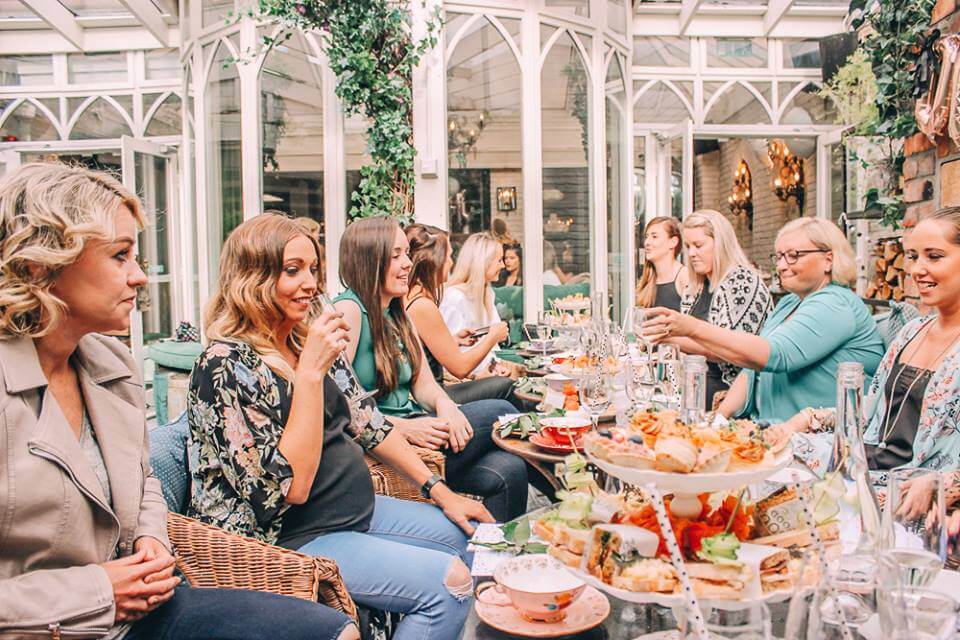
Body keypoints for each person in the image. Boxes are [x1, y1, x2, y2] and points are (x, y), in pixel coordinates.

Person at [0, 164, 355, 640]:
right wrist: (98, 588)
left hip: (139, 612)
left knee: (337, 632)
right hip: (51, 625)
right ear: (43, 265)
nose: (141, 277)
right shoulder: (225, 360)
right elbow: (286, 489)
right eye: (120, 256)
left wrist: (150, 538)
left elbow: (142, 478)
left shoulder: (110, 362)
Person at [187, 214, 492, 640]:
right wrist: (310, 375)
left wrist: (441, 493)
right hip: (290, 536)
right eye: (292, 271)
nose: (310, 283)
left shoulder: (299, 338)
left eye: (313, 269)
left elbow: (368, 422)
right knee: (450, 584)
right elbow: (288, 488)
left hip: (353, 509)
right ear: (251, 278)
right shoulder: (224, 365)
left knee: (475, 539)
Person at [334, 217, 529, 522]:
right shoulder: (349, 311)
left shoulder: (397, 311)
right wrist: (400, 427)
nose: (407, 264)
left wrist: (446, 406)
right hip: (387, 442)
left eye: (407, 254)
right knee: (502, 408)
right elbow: (336, 406)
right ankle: (566, 479)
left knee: (511, 470)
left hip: (422, 425)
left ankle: (493, 563)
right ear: (368, 259)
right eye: (396, 255)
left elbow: (424, 382)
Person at [768, 207, 960, 479]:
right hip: (866, 467)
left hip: (915, 492)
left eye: (935, 256)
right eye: (913, 257)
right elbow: (872, 411)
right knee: (763, 462)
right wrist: (809, 418)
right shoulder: (912, 332)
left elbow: (775, 353)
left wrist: (945, 487)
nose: (917, 270)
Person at [642, 217, 884, 423]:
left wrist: (690, 328)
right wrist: (717, 419)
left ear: (828, 260)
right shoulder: (790, 302)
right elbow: (752, 369)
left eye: (793, 256)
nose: (781, 265)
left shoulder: (836, 303)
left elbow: (775, 355)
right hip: (767, 429)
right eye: (778, 256)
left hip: (817, 441)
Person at [645, 209, 771, 406]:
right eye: (688, 246)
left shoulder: (741, 282)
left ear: (721, 244)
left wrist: (668, 338)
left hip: (730, 401)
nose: (692, 253)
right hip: (693, 392)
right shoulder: (697, 286)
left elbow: (733, 352)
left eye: (699, 245)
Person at [405, 224, 518, 405]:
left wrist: (455, 340)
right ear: (434, 260)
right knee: (508, 389)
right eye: (449, 256)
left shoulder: (416, 298)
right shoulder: (422, 305)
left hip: (432, 392)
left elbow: (421, 349)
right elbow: (460, 368)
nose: (451, 262)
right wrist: (492, 336)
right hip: (433, 396)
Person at [439, 232, 508, 377]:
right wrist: (476, 376)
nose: (503, 265)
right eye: (499, 260)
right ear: (484, 262)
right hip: (463, 382)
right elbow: (444, 361)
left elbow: (488, 347)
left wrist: (495, 366)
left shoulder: (487, 294)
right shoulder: (455, 298)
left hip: (485, 375)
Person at [635, 216, 688, 311]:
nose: (647, 242)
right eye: (646, 237)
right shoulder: (647, 281)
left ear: (673, 242)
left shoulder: (684, 277)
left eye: (654, 236)